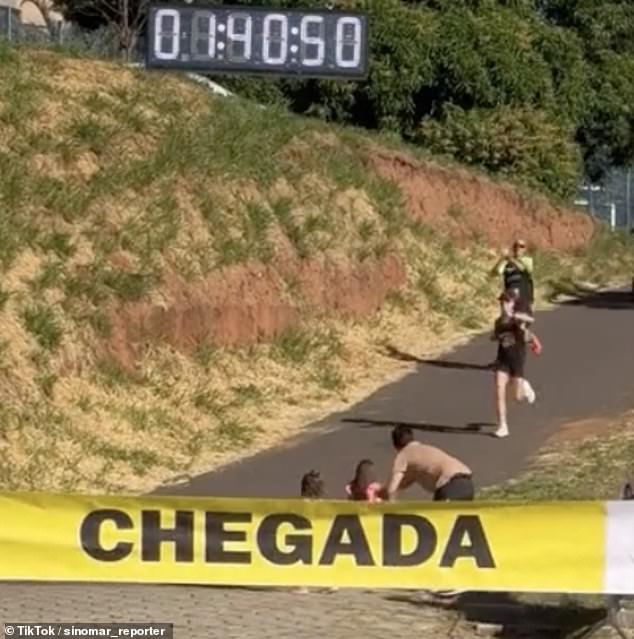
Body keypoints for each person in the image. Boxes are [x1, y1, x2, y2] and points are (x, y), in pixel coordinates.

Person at [384, 425, 474, 502]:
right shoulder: (424, 450)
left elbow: (392, 489)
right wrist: (382, 488)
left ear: (395, 445)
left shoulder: (404, 454)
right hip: (468, 484)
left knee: (439, 519)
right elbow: (406, 481)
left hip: (450, 486)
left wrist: (390, 508)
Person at [492, 290, 538, 438]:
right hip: (502, 360)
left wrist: (514, 316)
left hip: (517, 361)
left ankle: (524, 384)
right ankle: (502, 425)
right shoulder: (499, 322)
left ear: (513, 303)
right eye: (501, 302)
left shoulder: (518, 320)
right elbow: (496, 337)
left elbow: (529, 320)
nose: (503, 304)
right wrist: (495, 336)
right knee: (499, 391)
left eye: (506, 301)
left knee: (517, 398)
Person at [491, 239, 534, 313]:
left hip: (522, 292)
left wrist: (509, 258)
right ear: (513, 248)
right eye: (516, 246)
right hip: (509, 292)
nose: (518, 248)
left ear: (525, 249)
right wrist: (502, 259)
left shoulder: (527, 260)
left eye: (521, 246)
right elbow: (495, 273)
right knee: (503, 319)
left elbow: (524, 269)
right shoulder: (507, 262)